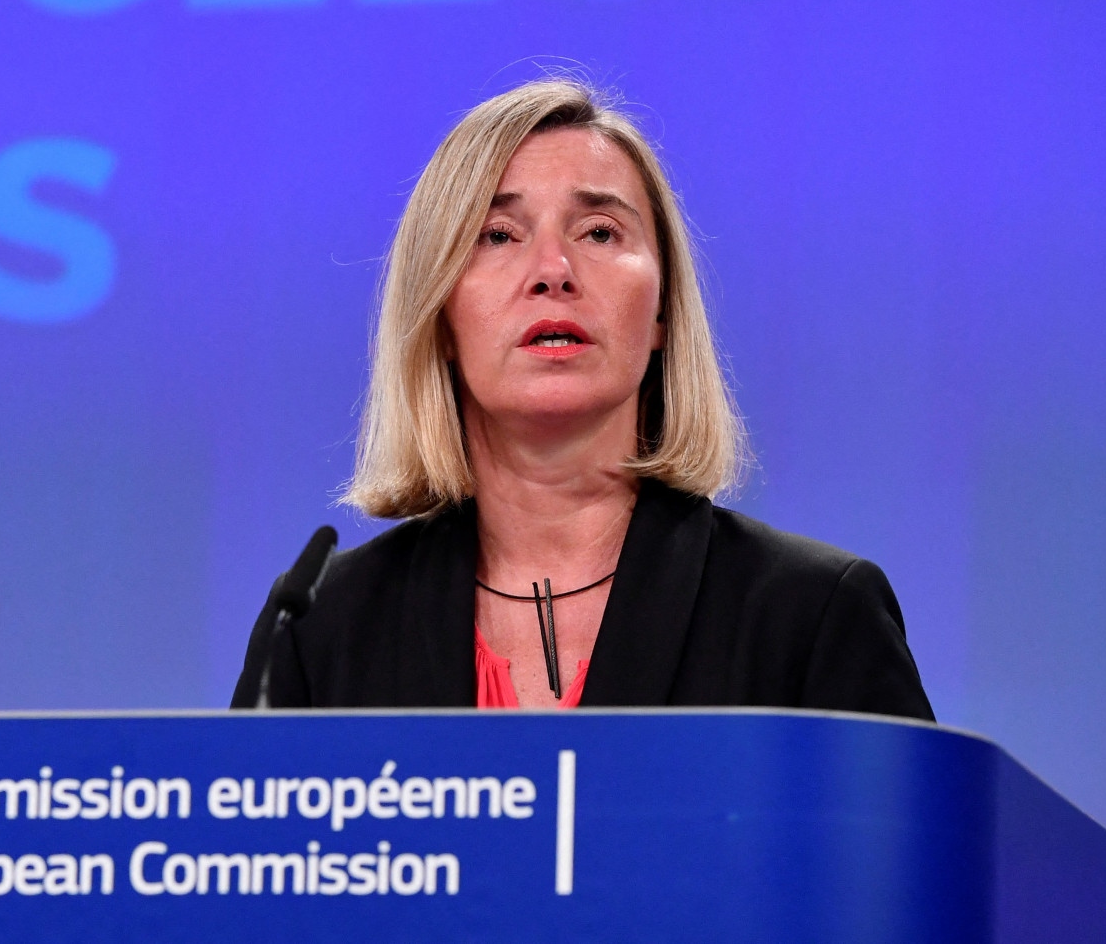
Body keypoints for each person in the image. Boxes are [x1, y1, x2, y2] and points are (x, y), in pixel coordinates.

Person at [231, 78, 932, 717]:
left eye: (600, 232)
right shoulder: (321, 629)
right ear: (439, 317)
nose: (553, 271)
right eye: (497, 235)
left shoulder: (810, 616)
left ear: (662, 313)